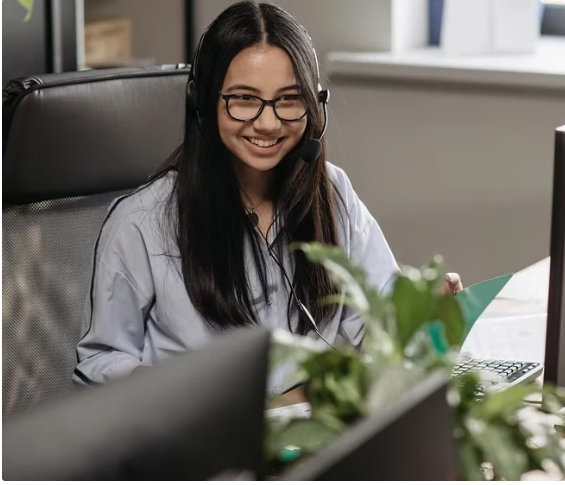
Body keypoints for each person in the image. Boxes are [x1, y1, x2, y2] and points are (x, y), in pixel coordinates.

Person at [73, 0, 462, 391]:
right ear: (203, 102)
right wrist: (184, 400)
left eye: (289, 100)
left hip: (318, 431)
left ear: (315, 108)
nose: (269, 122)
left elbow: (375, 319)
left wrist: (420, 313)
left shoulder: (332, 193)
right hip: (210, 442)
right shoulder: (143, 221)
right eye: (244, 99)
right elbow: (99, 363)